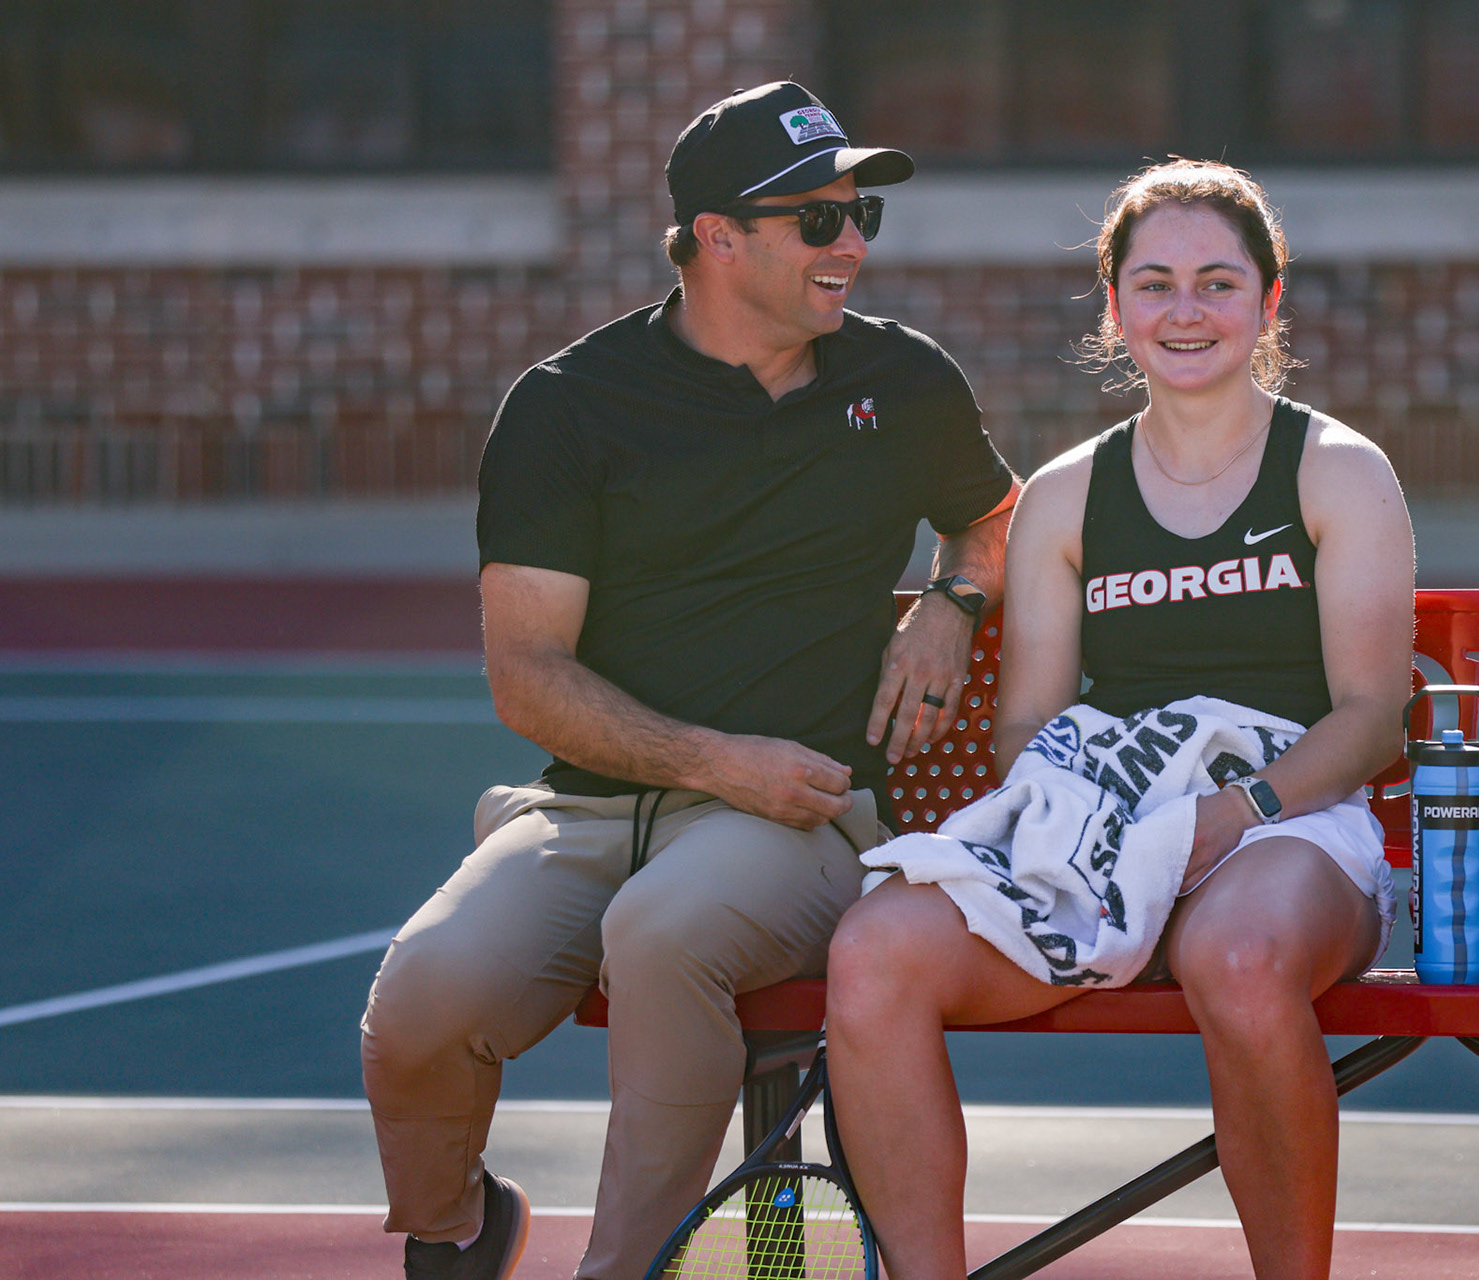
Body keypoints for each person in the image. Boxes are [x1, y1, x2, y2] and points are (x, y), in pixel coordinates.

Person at [359, 81, 1019, 1280]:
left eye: (861, 209)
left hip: (804, 816)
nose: (855, 242)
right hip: (589, 808)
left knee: (662, 934)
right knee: (419, 999)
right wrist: (716, 759)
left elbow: (991, 516)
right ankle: (456, 1225)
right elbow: (527, 676)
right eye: (818, 220)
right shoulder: (570, 407)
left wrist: (951, 602)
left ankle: (625, 1271)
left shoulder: (905, 381)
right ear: (718, 236)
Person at [825, 160, 1415, 1280]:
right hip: (1108, 828)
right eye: (1153, 284)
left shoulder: (1338, 471)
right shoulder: (1064, 493)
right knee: (873, 951)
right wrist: (1108, 831)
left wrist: (1221, 818)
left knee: (1235, 955)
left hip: (1288, 823)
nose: (1183, 311)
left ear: (1267, 300)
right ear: (1114, 306)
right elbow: (1029, 729)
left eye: (1216, 282)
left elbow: (1371, 719)